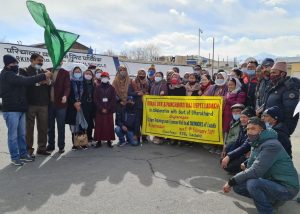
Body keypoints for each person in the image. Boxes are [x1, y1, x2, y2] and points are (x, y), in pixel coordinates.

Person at [223, 117, 299, 214]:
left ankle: (267, 211)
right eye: (248, 129)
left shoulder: (271, 145)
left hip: (287, 187)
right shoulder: (257, 142)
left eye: (253, 128)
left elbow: (255, 171)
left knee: (252, 183)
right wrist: (246, 164)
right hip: (273, 180)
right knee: (238, 186)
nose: (249, 132)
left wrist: (231, 181)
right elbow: (255, 162)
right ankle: (271, 199)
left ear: (262, 129)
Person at [0, 54, 52, 166]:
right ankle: (15, 157)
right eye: (13, 63)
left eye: (16, 63)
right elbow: (25, 81)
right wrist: (42, 76)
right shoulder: (7, 75)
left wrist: (46, 80)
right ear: (7, 64)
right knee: (13, 136)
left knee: (22, 134)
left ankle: (24, 154)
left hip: (21, 108)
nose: (16, 65)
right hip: (12, 109)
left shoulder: (14, 73)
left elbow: (24, 84)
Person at [19, 53, 51, 156]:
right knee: (29, 128)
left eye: (42, 61)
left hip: (43, 104)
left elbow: (49, 84)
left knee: (43, 128)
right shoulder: (24, 70)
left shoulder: (44, 72)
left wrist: (48, 82)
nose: (40, 63)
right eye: (38, 60)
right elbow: (25, 83)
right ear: (32, 60)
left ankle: (41, 148)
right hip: (30, 104)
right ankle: (28, 149)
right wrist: (39, 80)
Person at [264, 61, 300, 135]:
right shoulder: (274, 87)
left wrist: (285, 130)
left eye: (274, 72)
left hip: (280, 129)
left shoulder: (289, 88)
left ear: (282, 74)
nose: (271, 75)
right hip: (270, 126)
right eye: (271, 73)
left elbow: (291, 112)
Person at [221, 107, 255, 174]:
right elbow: (237, 142)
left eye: (245, 117)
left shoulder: (252, 129)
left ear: (251, 118)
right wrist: (228, 155)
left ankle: (242, 170)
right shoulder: (242, 127)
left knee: (230, 166)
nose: (242, 119)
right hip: (242, 150)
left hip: (248, 153)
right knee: (224, 159)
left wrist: (229, 156)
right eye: (241, 117)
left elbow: (244, 147)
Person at [47, 62, 71, 154]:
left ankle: (61, 146)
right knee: (50, 126)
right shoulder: (48, 70)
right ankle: (51, 145)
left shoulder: (65, 72)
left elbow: (67, 86)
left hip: (61, 104)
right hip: (49, 104)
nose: (60, 63)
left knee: (61, 126)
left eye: (61, 61)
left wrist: (65, 95)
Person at [65, 67, 88, 150]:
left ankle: (83, 143)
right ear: (72, 72)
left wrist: (80, 102)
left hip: (82, 106)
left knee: (82, 124)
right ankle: (75, 144)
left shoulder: (84, 82)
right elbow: (68, 94)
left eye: (79, 72)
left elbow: (86, 94)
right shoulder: (70, 82)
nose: (77, 73)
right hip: (72, 107)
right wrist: (74, 103)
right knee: (74, 126)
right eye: (76, 72)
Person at [94, 72, 116, 148]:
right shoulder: (97, 87)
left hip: (108, 110)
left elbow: (113, 99)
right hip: (99, 110)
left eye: (106, 77)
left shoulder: (112, 88)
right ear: (101, 78)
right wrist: (101, 108)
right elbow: (95, 99)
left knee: (109, 125)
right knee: (99, 125)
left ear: (108, 78)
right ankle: (98, 141)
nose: (104, 78)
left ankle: (109, 141)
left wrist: (107, 108)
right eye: (103, 77)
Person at [128, 69, 149, 143]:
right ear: (137, 74)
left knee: (144, 122)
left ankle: (144, 137)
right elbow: (129, 92)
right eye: (140, 73)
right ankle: (136, 136)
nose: (142, 75)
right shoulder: (133, 82)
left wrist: (146, 93)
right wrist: (137, 94)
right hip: (136, 105)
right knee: (137, 121)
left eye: (143, 74)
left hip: (146, 105)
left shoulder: (147, 82)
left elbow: (149, 91)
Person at [150, 72, 168, 144]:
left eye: (159, 76)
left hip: (161, 106)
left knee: (160, 121)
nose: (157, 77)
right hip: (153, 106)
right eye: (156, 76)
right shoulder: (153, 84)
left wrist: (163, 93)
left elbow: (165, 92)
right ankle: (156, 136)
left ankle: (160, 137)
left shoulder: (163, 84)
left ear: (162, 77)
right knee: (156, 121)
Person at [82, 69, 96, 143]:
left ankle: (90, 137)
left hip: (92, 105)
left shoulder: (94, 84)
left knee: (90, 122)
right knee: (85, 122)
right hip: (84, 105)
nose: (88, 75)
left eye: (90, 74)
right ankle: (84, 138)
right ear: (84, 75)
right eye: (87, 74)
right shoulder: (81, 83)